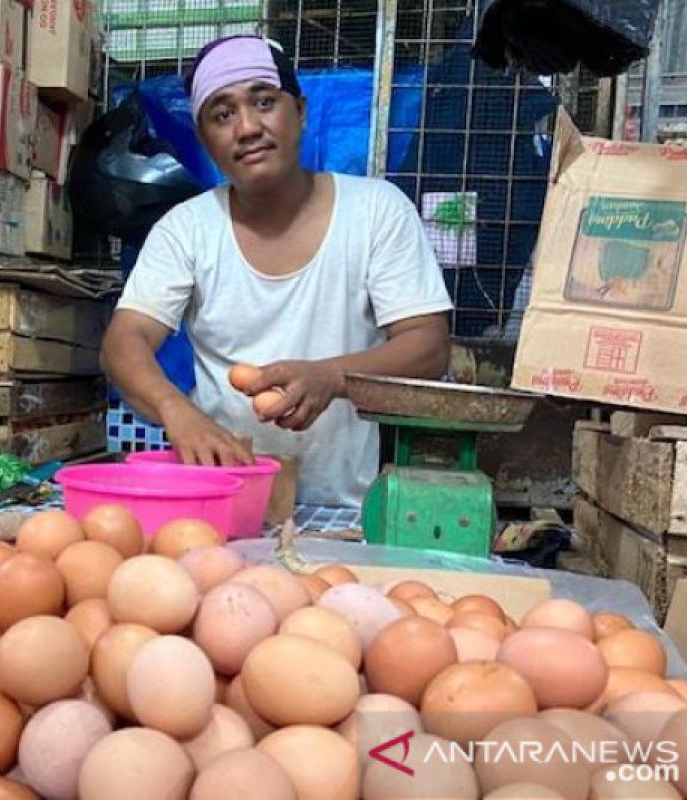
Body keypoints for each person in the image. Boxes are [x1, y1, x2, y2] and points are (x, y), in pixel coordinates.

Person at [101, 35, 455, 510]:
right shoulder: (186, 230)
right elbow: (125, 342)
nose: (247, 127)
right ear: (205, 139)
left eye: (264, 102)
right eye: (222, 115)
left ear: (301, 111)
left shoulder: (375, 211)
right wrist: (175, 410)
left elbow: (428, 344)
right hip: (223, 502)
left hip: (341, 509)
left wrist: (334, 377)